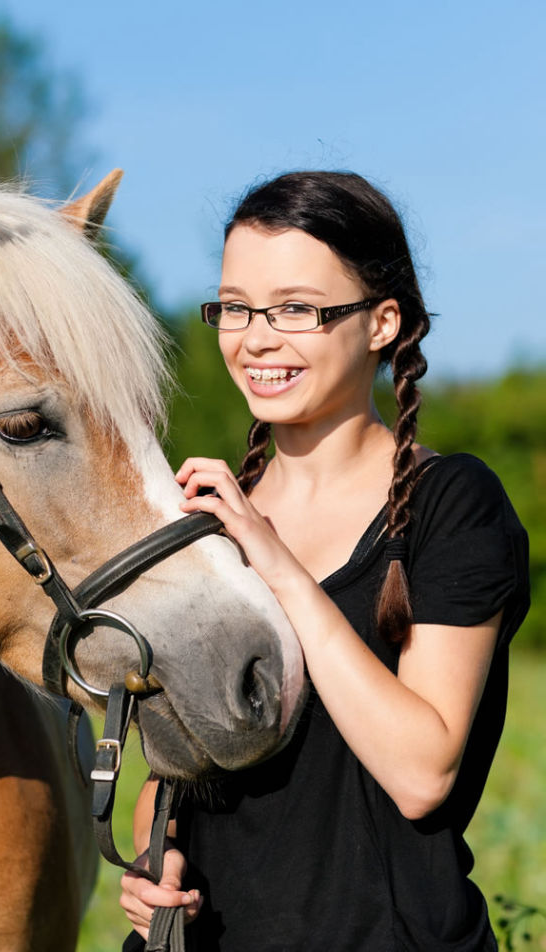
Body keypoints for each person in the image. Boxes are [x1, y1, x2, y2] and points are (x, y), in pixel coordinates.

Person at [119, 171, 529, 951]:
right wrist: (154, 860)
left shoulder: (452, 506)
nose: (256, 337)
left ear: (382, 322)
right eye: (235, 307)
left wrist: (277, 566)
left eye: (296, 309)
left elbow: (421, 773)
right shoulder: (205, 524)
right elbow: (170, 785)